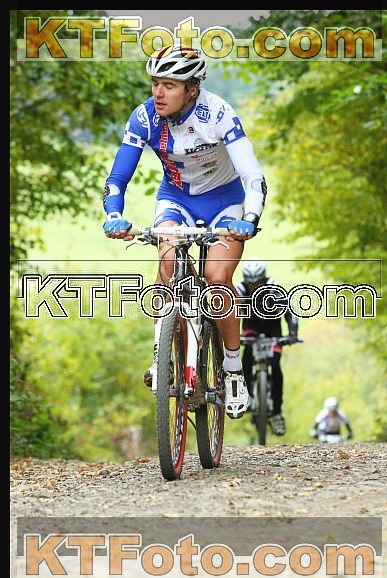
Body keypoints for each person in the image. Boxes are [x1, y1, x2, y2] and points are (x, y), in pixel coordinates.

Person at [102, 43, 267, 420]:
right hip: (175, 199)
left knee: (217, 278)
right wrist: (114, 215)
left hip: (225, 202)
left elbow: (253, 176)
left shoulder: (218, 113)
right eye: (155, 83)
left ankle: (233, 368)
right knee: (167, 262)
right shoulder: (144, 117)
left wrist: (250, 217)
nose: (158, 93)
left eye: (169, 85)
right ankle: (161, 356)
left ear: (192, 89)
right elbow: (117, 179)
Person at [236, 258, 299, 435]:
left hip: (273, 332)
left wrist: (292, 333)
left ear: (264, 278)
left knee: (276, 367)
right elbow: (230, 312)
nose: (255, 286)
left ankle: (277, 413)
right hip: (251, 330)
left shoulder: (274, 288)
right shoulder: (240, 290)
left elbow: (290, 310)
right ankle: (246, 396)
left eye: (258, 282)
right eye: (251, 283)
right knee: (246, 358)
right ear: (245, 281)